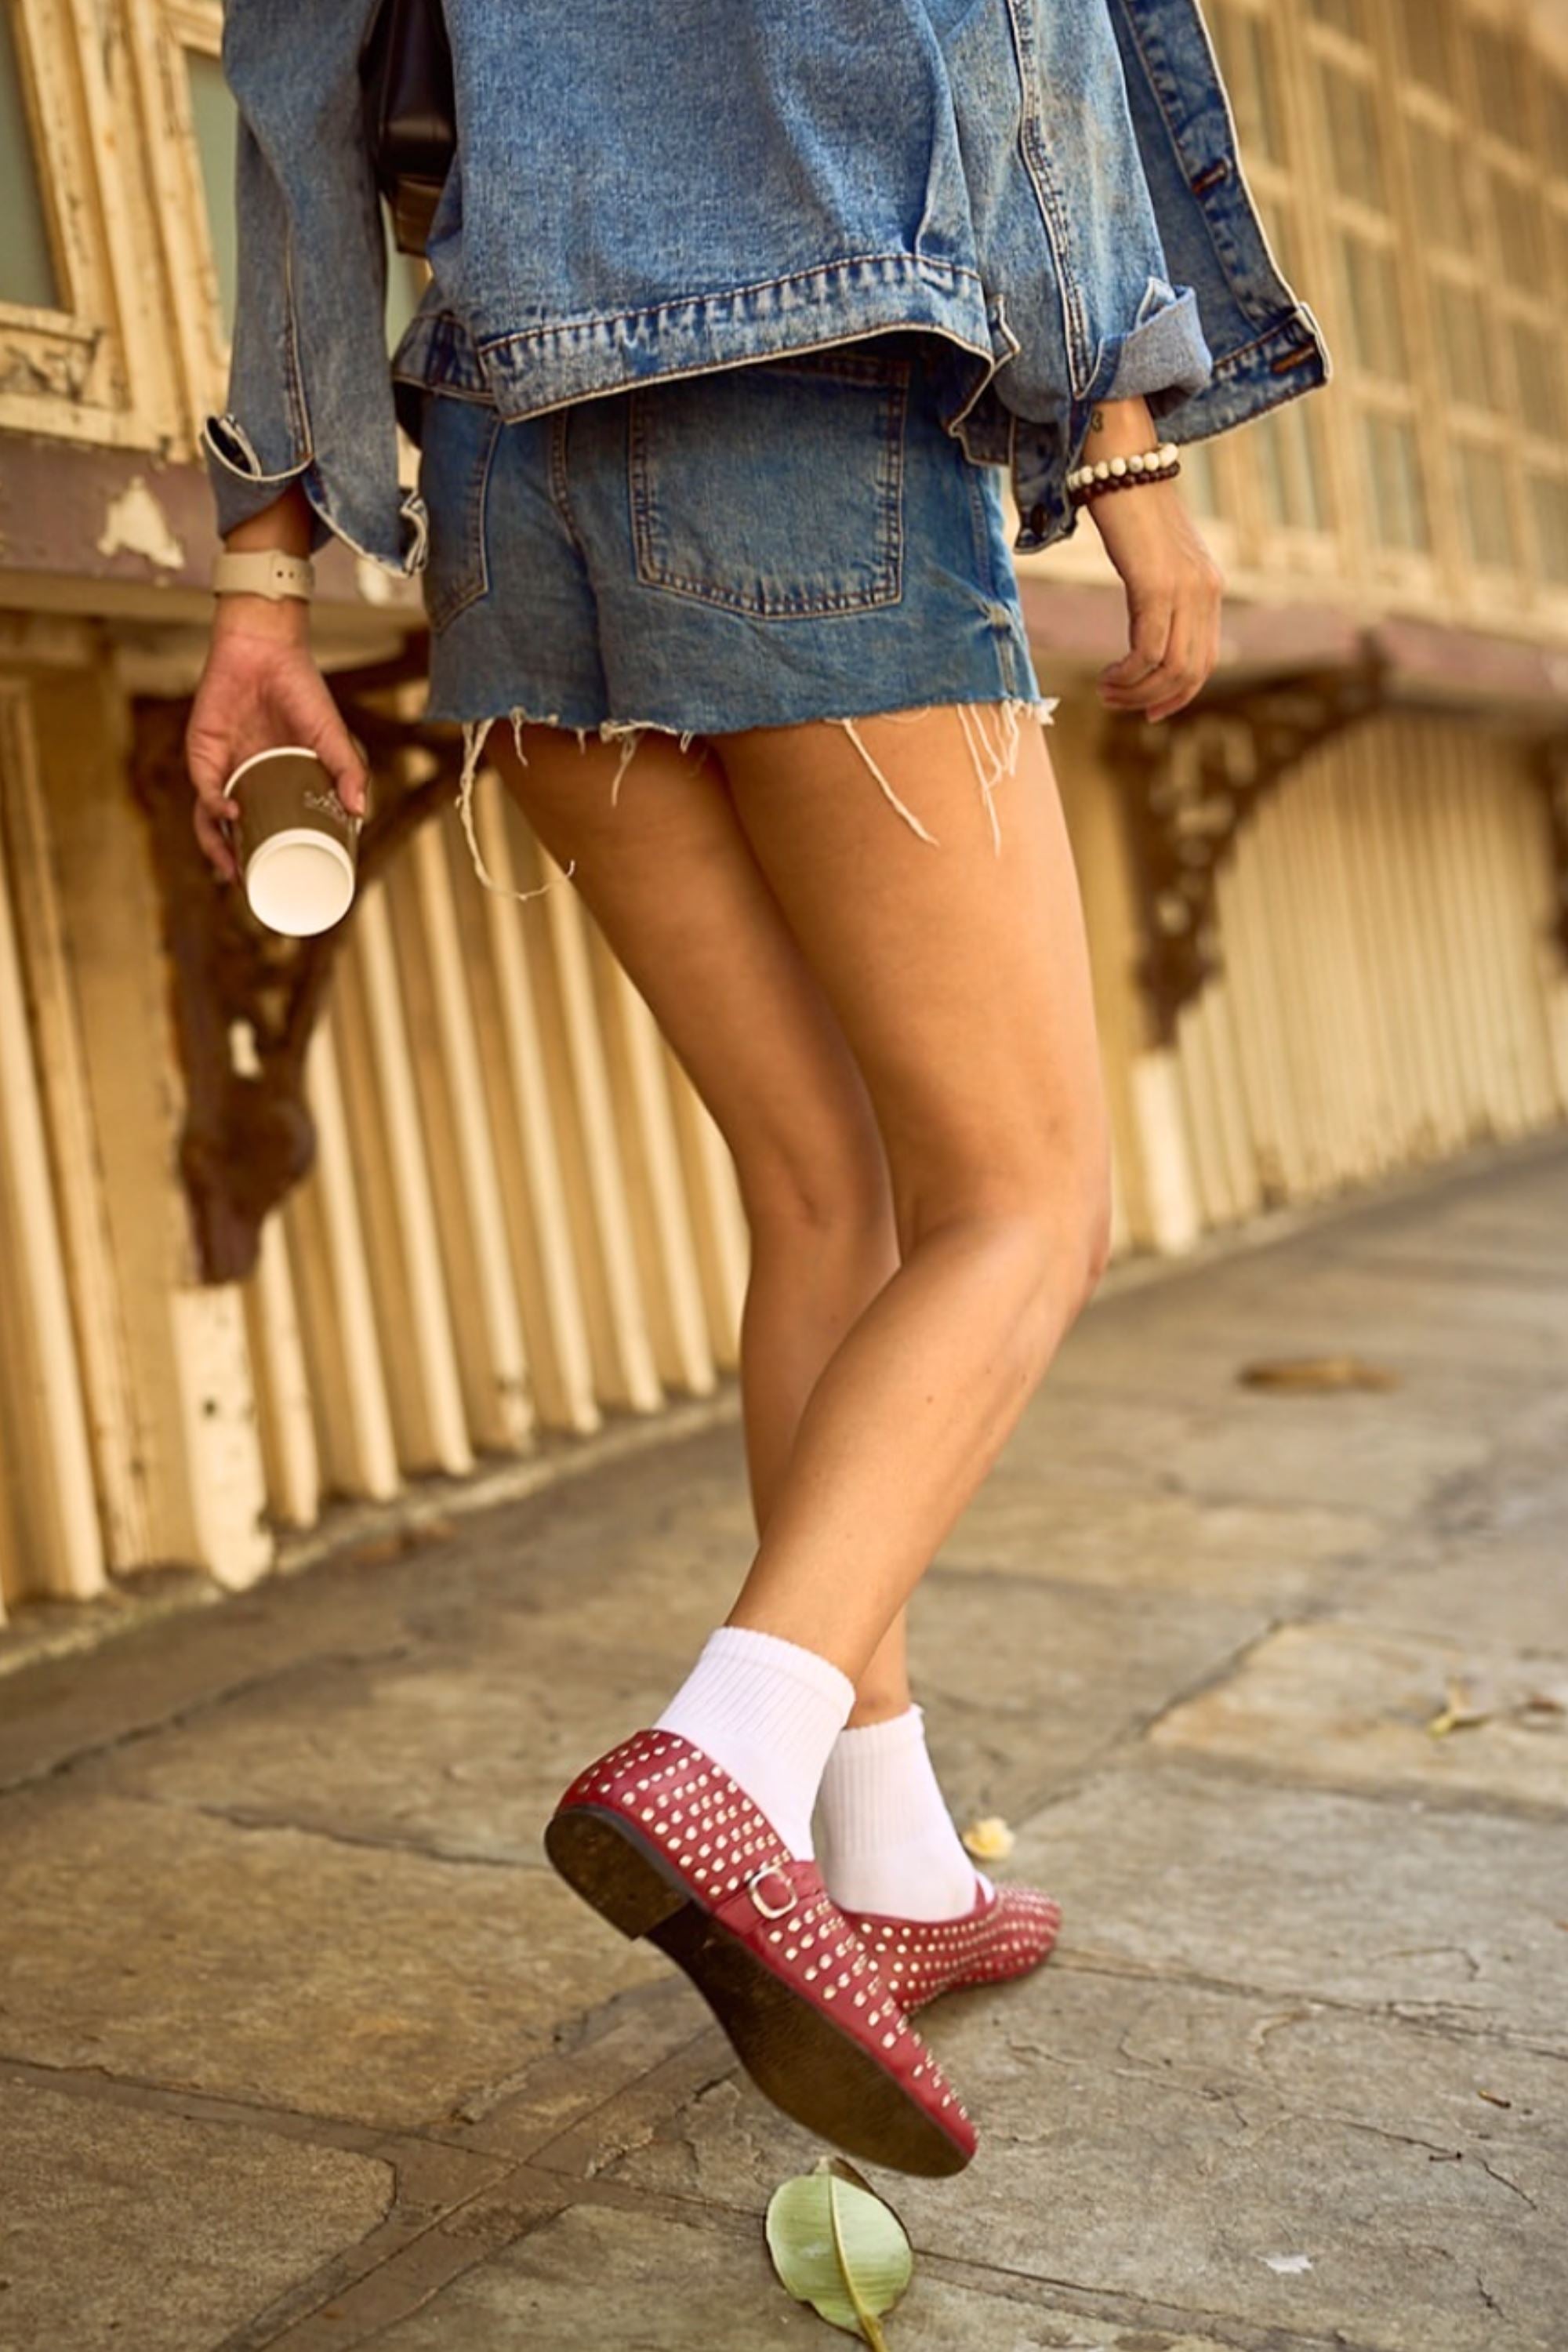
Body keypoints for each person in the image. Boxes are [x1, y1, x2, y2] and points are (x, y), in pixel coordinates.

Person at [185, 0, 1331, 2176]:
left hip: (507, 470)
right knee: (1025, 1202)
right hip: (812, 410)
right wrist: (1127, 441)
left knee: (819, 1187)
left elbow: (290, 79)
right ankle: (736, 1742)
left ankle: (889, 1865)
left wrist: (260, 575)